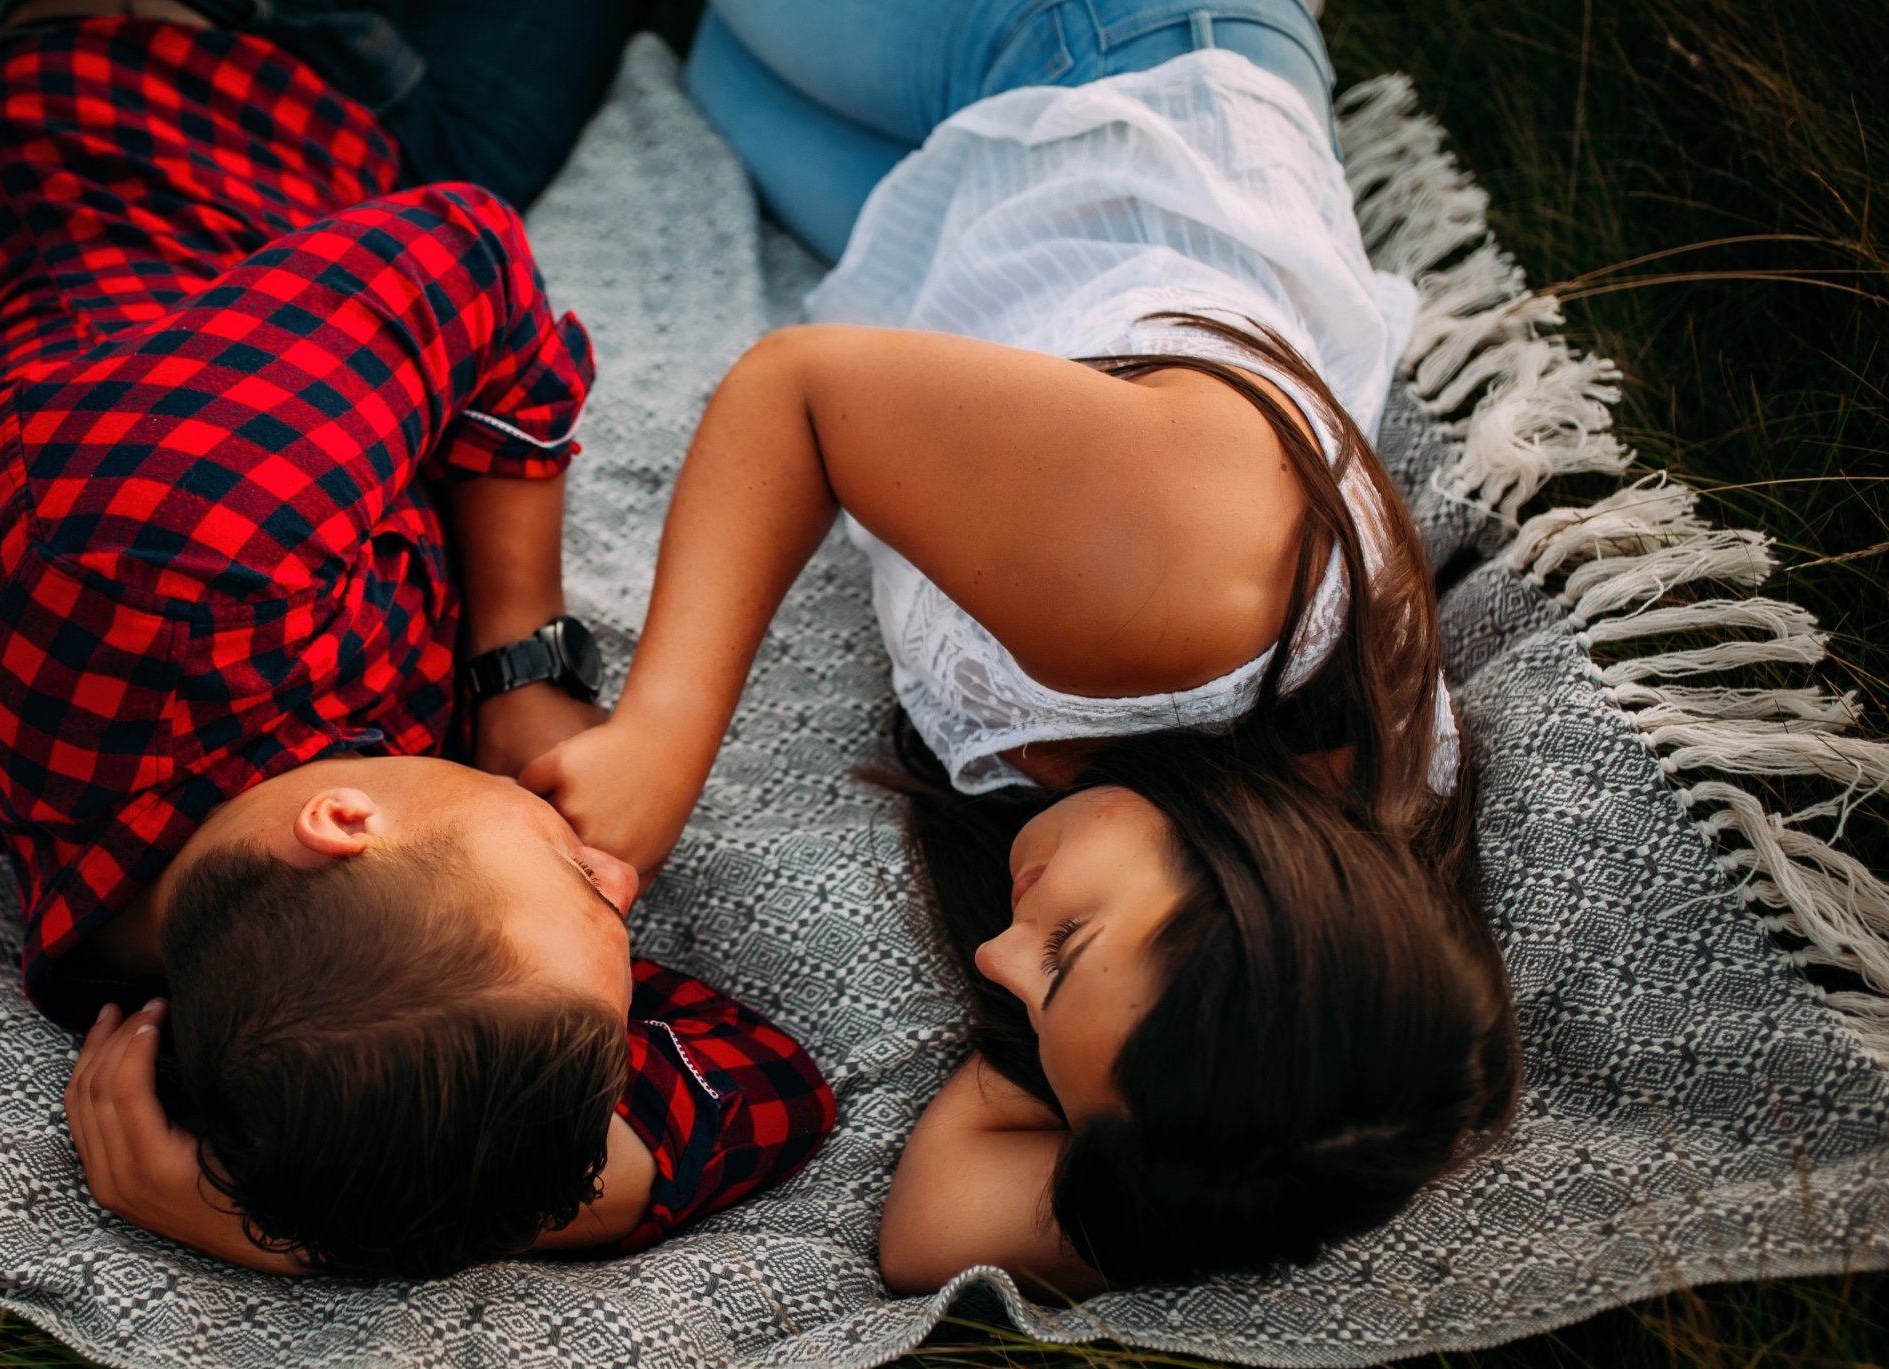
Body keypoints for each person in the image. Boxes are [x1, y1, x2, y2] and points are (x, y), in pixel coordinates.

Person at [521, 0, 1519, 1296]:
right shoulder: (1197, 590)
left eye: (1031, 1021)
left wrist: (1179, 1168)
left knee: (707, 54)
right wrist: (664, 738)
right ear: (1258, 872)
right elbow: (801, 394)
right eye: (1065, 949)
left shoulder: (1267, 967)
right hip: (1088, 49)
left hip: (968, 221)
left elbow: (933, 1230)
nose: (996, 955)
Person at [0, 0, 835, 1281]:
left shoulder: (183, 557)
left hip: (211, 66)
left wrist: (518, 660)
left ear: (345, 822)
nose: (625, 878)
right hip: (369, 165)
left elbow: (463, 252)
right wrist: (307, 1226)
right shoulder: (307, 1015)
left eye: (582, 887)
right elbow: (766, 1090)